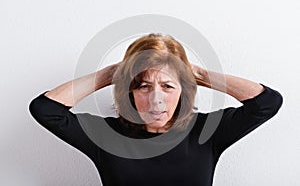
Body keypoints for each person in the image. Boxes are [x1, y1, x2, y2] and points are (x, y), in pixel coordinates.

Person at [29, 33, 283, 186]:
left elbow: (266, 103)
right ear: (129, 90)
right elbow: (45, 109)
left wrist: (199, 74)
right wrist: (113, 73)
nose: (156, 100)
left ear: (184, 89)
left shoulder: (207, 131)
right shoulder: (105, 135)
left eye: (168, 86)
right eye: (144, 87)